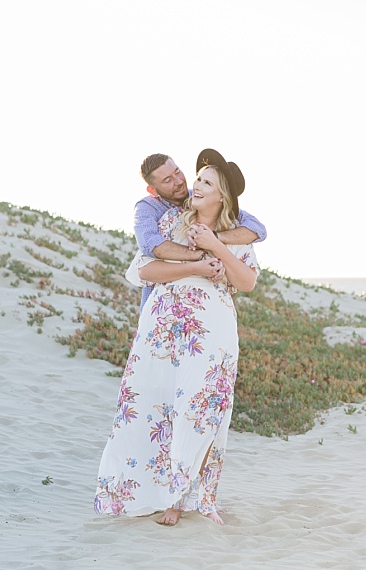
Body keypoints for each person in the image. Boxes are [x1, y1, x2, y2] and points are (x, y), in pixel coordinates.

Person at [94, 149, 260, 526]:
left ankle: (195, 497)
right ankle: (164, 497)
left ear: (222, 196)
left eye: (205, 182)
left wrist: (217, 245)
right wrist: (197, 263)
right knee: (156, 407)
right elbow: (146, 269)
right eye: (197, 178)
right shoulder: (171, 224)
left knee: (204, 410)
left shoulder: (237, 235)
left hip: (212, 333)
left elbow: (247, 281)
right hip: (164, 331)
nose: (193, 185)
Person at [134, 152, 266, 309]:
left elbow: (258, 229)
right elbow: (153, 247)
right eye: (168, 180)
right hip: (162, 306)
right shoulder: (155, 212)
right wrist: (201, 256)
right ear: (153, 190)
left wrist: (215, 239)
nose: (179, 181)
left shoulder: (199, 197)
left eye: (177, 172)